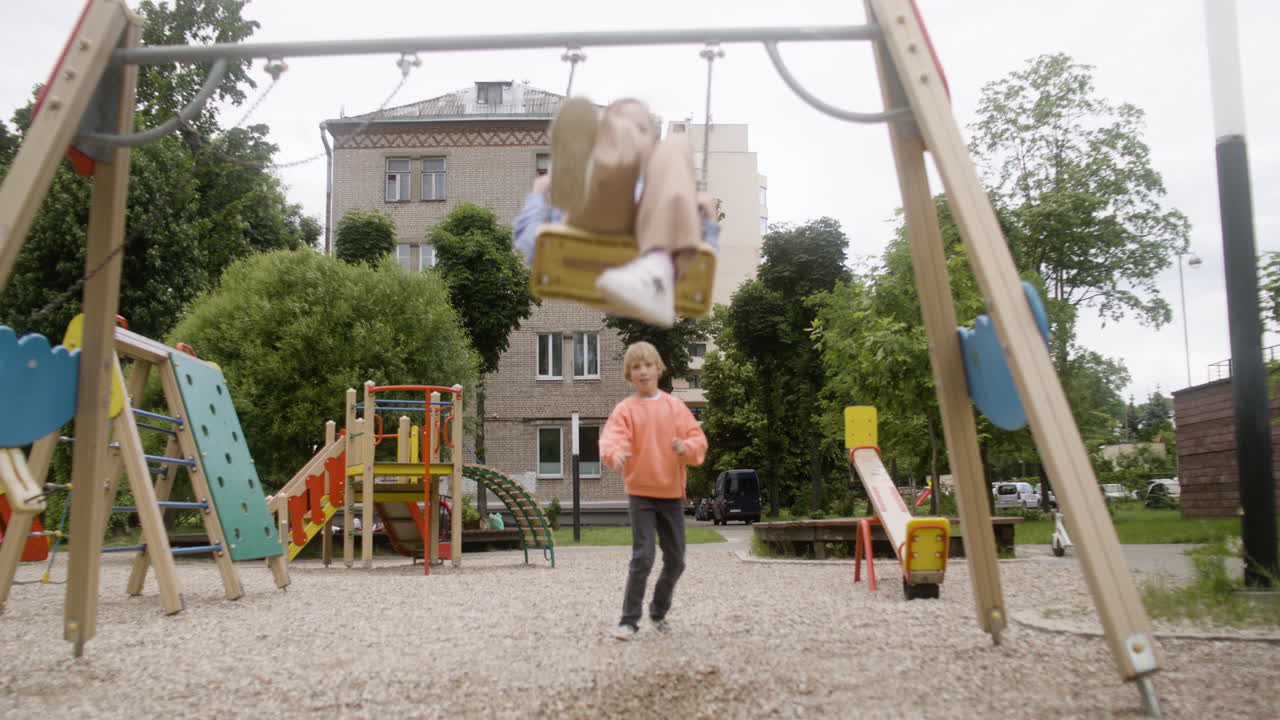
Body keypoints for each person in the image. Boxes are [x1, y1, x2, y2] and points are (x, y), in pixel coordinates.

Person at [513, 97, 720, 328]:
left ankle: (655, 270)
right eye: (623, 128)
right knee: (603, 180)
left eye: (640, 129)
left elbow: (700, 265)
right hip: (593, 225)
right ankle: (594, 143)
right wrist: (538, 197)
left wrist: (710, 221)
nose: (632, 135)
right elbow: (534, 246)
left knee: (677, 145)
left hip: (648, 248)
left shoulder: (663, 189)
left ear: (652, 143)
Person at [598, 341, 707, 640]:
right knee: (643, 556)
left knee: (676, 559)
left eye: (647, 365)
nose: (643, 371)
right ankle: (628, 621)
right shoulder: (625, 410)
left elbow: (698, 439)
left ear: (658, 369)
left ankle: (658, 612)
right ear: (629, 375)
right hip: (641, 493)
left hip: (671, 493)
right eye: (636, 367)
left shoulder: (675, 407)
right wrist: (615, 454)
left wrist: (686, 448)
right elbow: (612, 439)